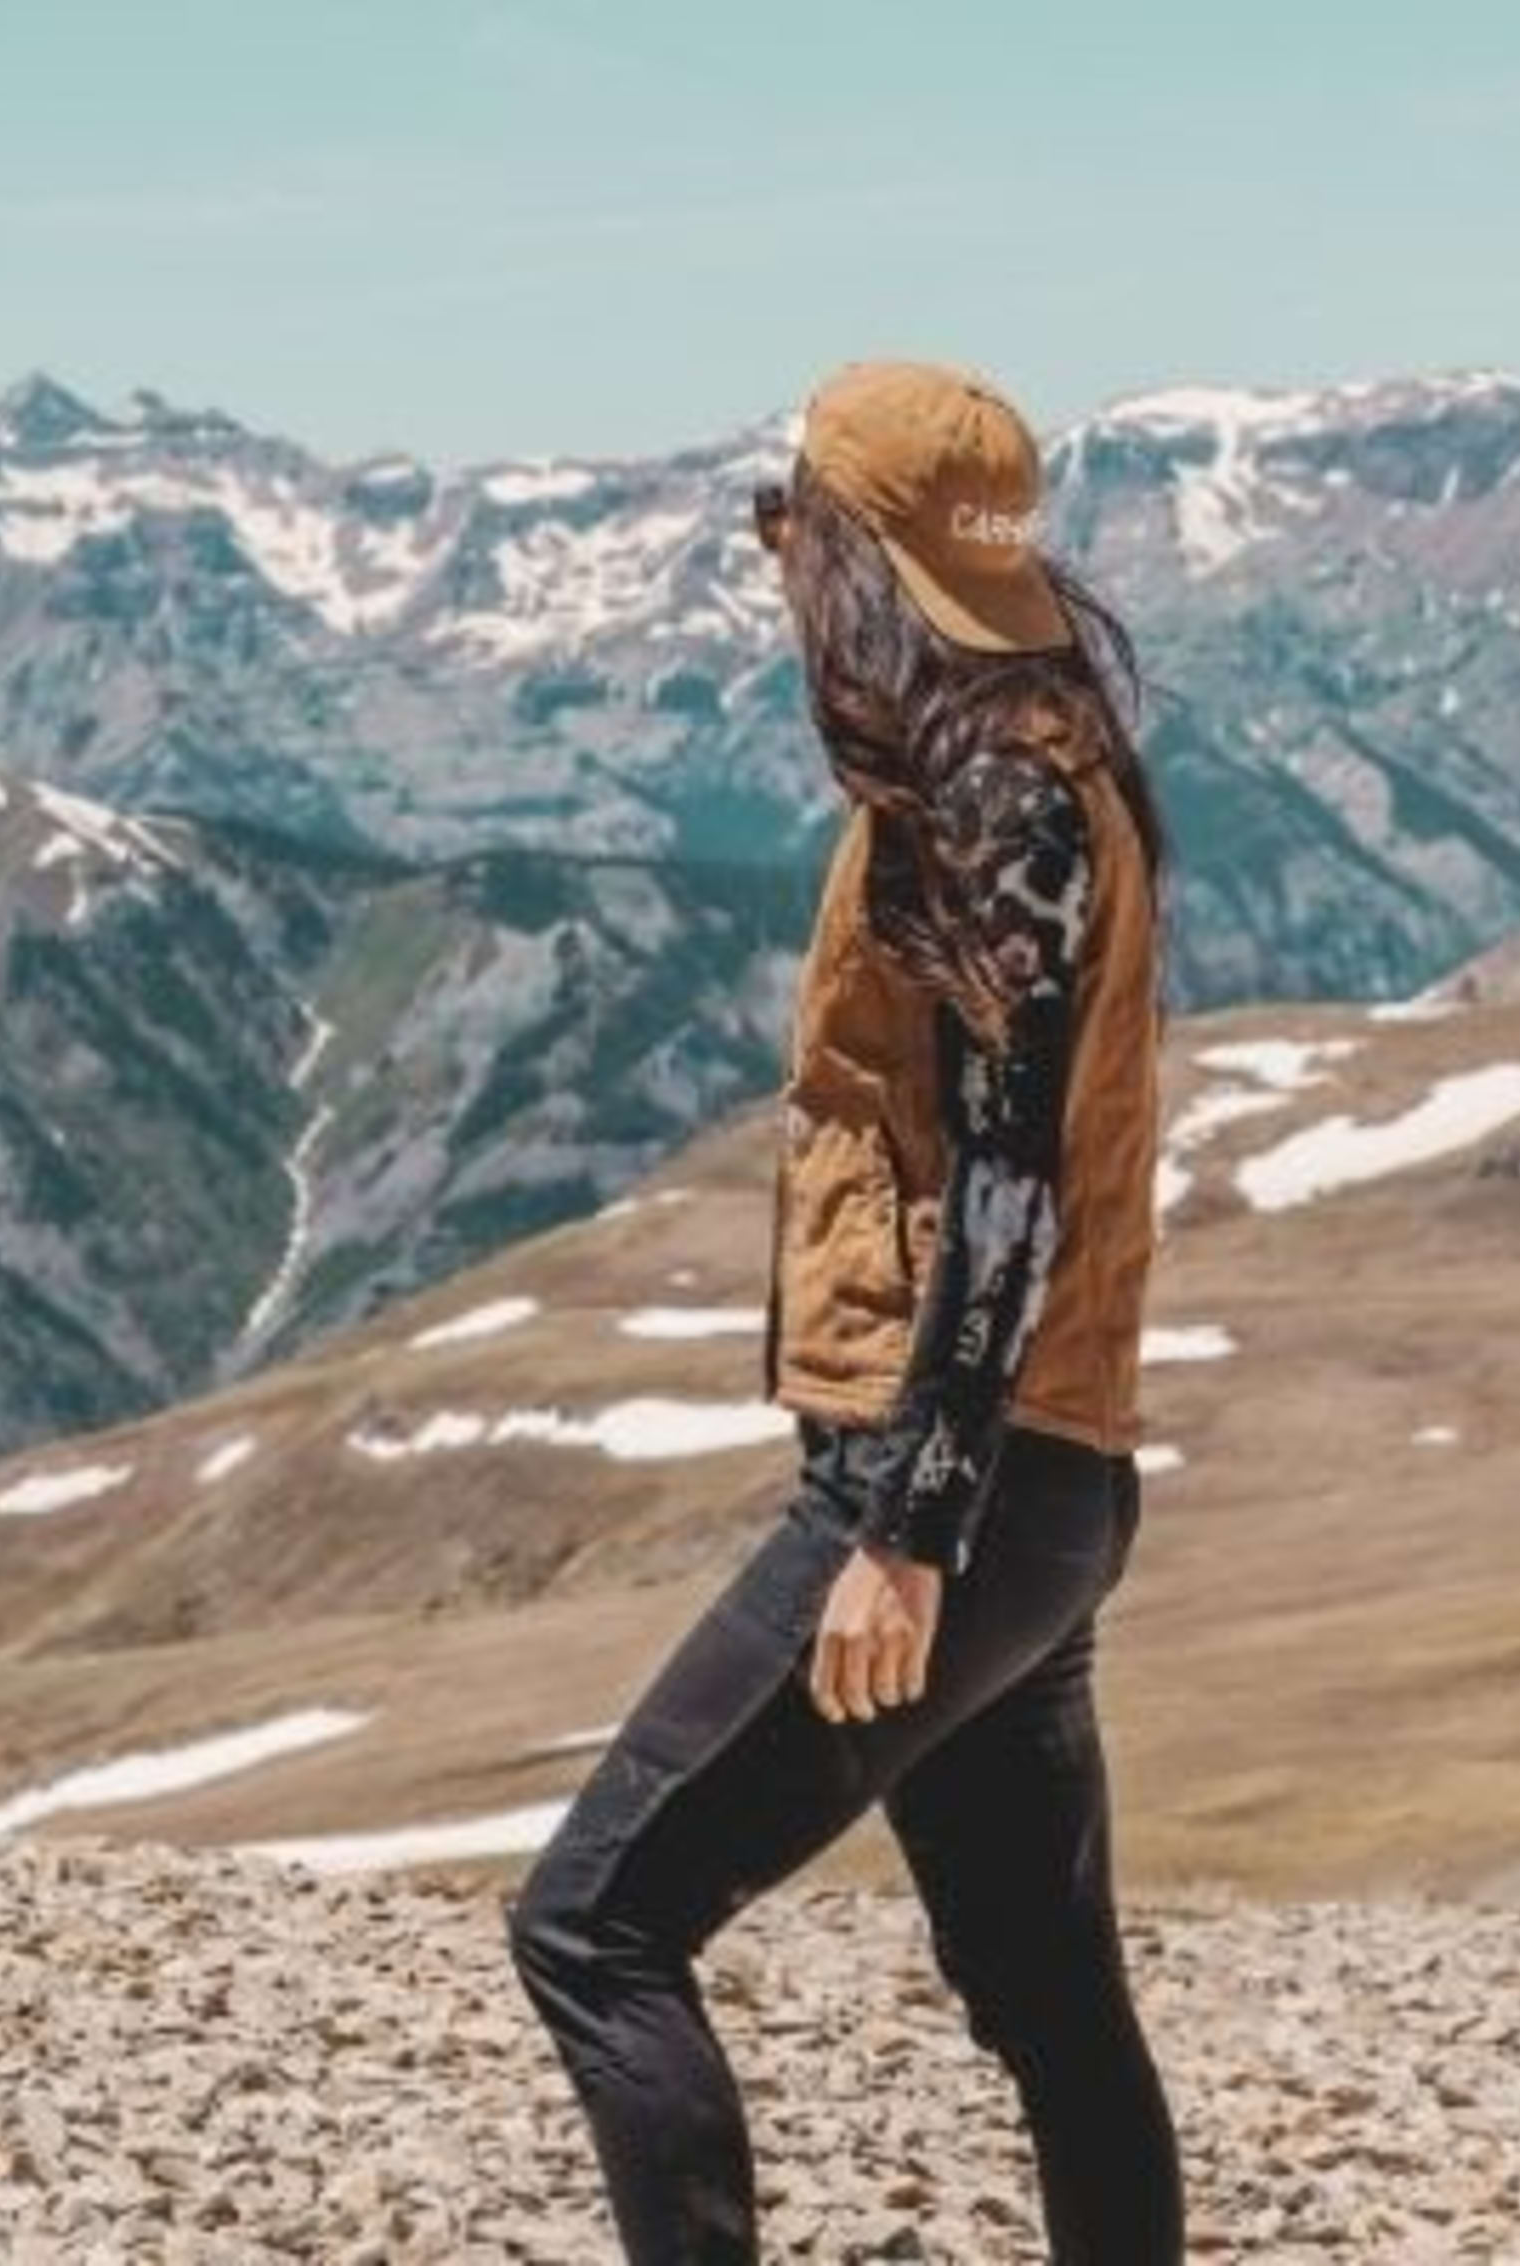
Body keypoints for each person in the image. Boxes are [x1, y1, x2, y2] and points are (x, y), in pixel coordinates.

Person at [505, 358, 1183, 2263]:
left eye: (791, 520)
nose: (775, 555)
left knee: (594, 1925)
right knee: (1052, 2005)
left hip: (954, 1482)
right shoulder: (1040, 748)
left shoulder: (990, 792)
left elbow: (1005, 1174)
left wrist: (903, 1520)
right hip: (1050, 1482)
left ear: (865, 556)